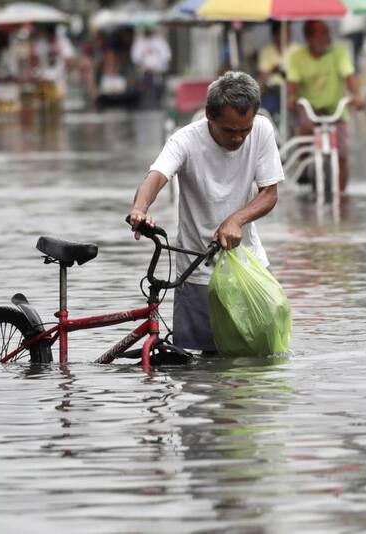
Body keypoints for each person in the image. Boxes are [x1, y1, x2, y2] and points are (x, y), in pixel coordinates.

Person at [128, 72, 284, 353]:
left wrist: (236, 219)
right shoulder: (185, 140)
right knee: (199, 368)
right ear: (209, 116)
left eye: (244, 130)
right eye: (229, 130)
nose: (238, 138)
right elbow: (157, 176)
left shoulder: (261, 130)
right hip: (196, 269)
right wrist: (140, 210)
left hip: (249, 264)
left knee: (263, 355)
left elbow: (269, 193)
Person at [287, 20, 363, 193]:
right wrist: (291, 98)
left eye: (327, 32)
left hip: (335, 109)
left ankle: (342, 196)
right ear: (309, 38)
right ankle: (305, 167)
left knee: (342, 155)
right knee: (304, 133)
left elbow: (348, 75)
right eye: (321, 33)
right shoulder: (297, 57)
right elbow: (292, 83)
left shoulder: (339, 52)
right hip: (310, 109)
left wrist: (356, 95)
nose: (327, 37)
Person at [257, 21, 291, 117]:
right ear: (275, 34)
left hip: (290, 88)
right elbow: (262, 77)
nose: (288, 35)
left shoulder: (295, 50)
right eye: (285, 32)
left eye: (289, 32)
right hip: (273, 89)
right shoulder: (266, 51)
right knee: (264, 110)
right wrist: (273, 69)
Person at [130, 28, 171, 109]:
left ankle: (157, 103)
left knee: (157, 88)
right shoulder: (140, 41)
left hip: (157, 71)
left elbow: (166, 55)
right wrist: (143, 55)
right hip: (145, 71)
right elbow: (135, 56)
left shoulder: (159, 41)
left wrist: (157, 56)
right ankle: (144, 104)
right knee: (144, 90)